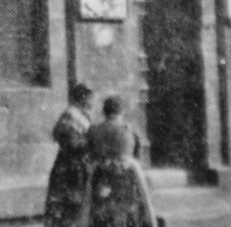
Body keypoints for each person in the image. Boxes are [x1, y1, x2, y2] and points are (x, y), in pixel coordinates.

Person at [85, 96, 155, 227]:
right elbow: (137, 155)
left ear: (104, 112)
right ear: (122, 111)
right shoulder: (130, 130)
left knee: (99, 212)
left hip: (101, 176)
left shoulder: (93, 130)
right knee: (129, 213)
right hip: (125, 176)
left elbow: (89, 153)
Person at [44, 83, 95, 227]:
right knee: (68, 210)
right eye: (91, 98)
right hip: (70, 169)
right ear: (83, 98)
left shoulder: (82, 115)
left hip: (77, 168)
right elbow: (71, 143)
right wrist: (90, 144)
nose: (93, 102)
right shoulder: (71, 115)